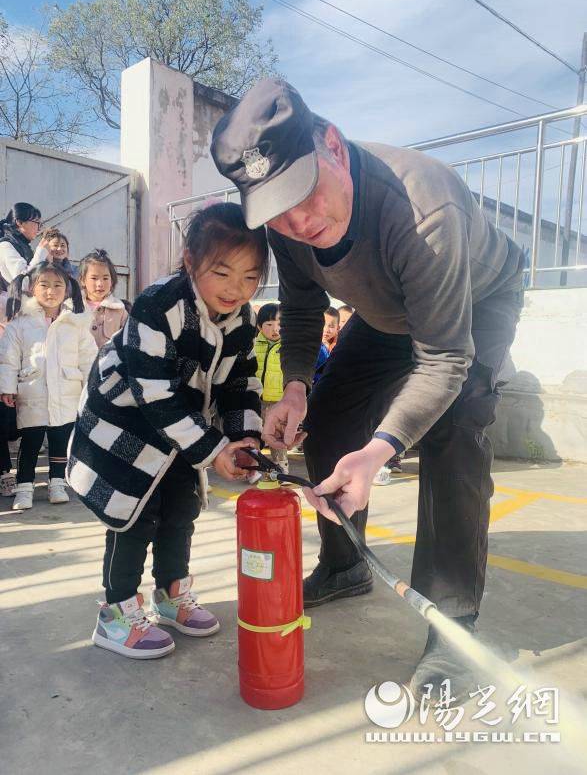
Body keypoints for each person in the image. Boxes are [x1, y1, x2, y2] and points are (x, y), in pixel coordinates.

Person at [211, 79, 525, 700]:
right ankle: (345, 564)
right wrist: (296, 386)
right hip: (385, 315)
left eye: (304, 193)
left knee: (455, 435)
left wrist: (380, 449)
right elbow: (301, 304)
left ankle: (453, 622)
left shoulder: (422, 207)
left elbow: (442, 358)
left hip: (470, 308)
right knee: (327, 421)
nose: (297, 221)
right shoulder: (284, 215)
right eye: (276, 209)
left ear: (332, 143)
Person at [67, 203, 267, 660]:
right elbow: (153, 393)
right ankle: (116, 614)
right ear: (190, 260)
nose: (237, 289)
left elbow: (240, 382)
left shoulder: (242, 319)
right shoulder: (159, 304)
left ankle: (170, 594)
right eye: (222, 272)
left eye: (251, 277)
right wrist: (214, 448)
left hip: (181, 430)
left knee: (181, 508)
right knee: (133, 516)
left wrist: (245, 438)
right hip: (126, 424)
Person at [0, 262, 97, 510]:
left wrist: (91, 387)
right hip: (32, 393)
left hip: (67, 393)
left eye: (57, 285)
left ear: (68, 290)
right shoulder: (20, 324)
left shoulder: (75, 323)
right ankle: (24, 487)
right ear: (32, 288)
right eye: (44, 285)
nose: (51, 291)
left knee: (60, 440)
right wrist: (7, 387)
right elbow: (8, 358)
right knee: (30, 442)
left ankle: (57, 483)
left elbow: (88, 358)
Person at [0, 203, 49, 498]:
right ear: (20, 223)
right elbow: (25, 278)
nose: (38, 229)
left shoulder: (19, 245)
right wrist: (43, 253)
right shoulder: (7, 246)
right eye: (35, 222)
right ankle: (6, 472)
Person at [254, 302, 288, 473]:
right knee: (253, 432)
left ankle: (280, 465)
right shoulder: (253, 345)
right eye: (269, 324)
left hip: (277, 400)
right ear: (259, 326)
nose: (276, 329)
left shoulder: (287, 347)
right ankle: (253, 465)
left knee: (276, 434)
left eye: (280, 324)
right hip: (256, 398)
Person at [78, 249, 128, 348]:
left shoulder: (119, 310)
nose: (100, 284)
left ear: (112, 281)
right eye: (94, 278)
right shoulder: (72, 307)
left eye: (105, 278)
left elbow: (129, 340)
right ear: (83, 280)